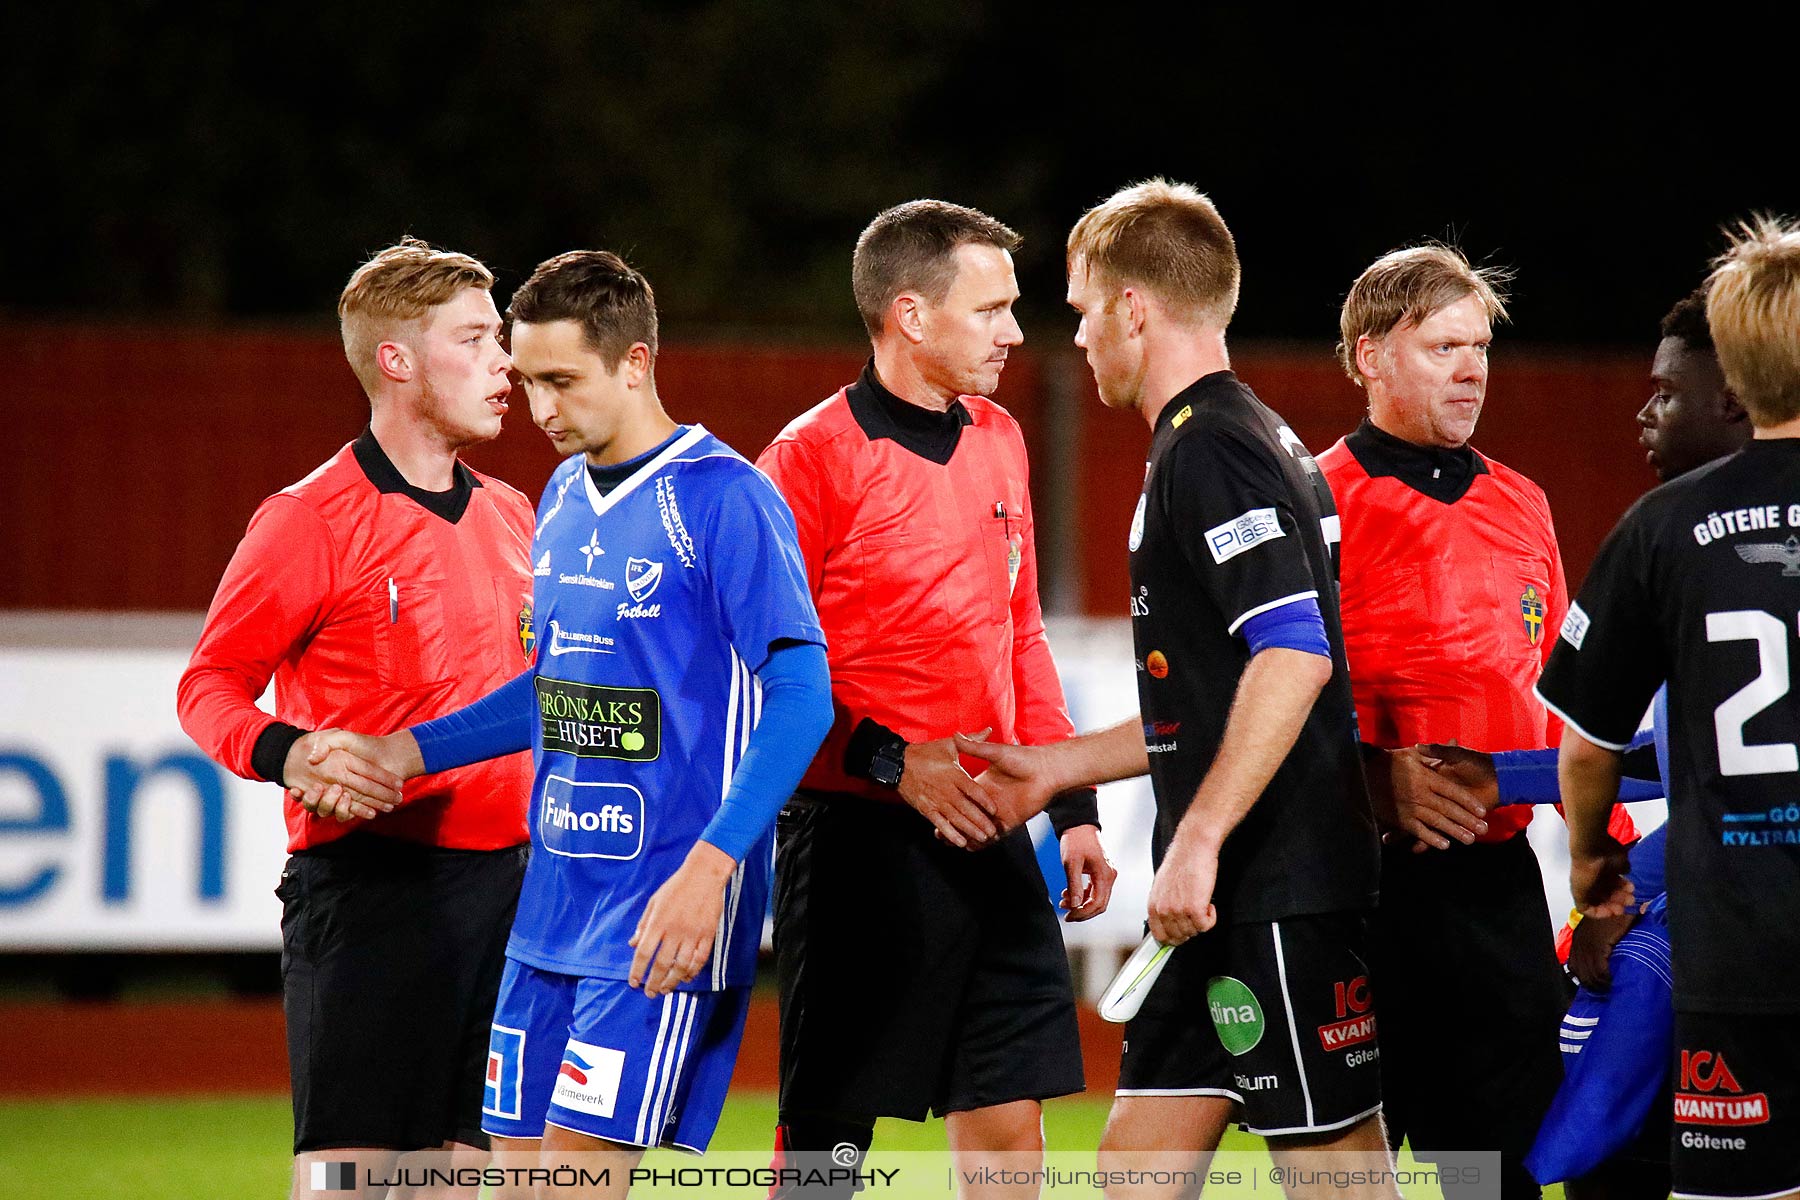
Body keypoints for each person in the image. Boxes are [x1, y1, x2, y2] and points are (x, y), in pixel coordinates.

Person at [305, 250, 833, 1200]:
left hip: (657, 909)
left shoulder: (723, 497)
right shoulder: (558, 501)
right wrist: (407, 749)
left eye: (562, 380)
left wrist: (710, 872)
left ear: (636, 364)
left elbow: (803, 696)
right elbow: (553, 693)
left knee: (576, 1185)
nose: (538, 405)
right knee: (517, 1184)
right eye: (527, 376)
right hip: (548, 912)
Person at [962, 179, 1391, 1198]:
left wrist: (1195, 841)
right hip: (1220, 898)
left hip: (1274, 889)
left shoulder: (1213, 452)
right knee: (1136, 1170)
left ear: (1133, 309)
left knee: (1334, 1173)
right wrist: (1061, 766)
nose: (1073, 339)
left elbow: (1293, 656)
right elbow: (1208, 693)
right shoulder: (1243, 437)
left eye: (1077, 311)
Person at [753, 200, 1114, 1186]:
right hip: (856, 839)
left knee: (1009, 1123)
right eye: (990, 309)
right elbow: (760, 672)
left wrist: (1072, 809)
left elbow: (1022, 635)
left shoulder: (1000, 436)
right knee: (829, 1144)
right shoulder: (806, 461)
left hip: (995, 836)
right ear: (910, 315)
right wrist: (887, 760)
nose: (1012, 331)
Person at [175, 237, 537, 1197]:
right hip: (376, 896)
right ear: (398, 360)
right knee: (356, 1185)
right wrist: (286, 751)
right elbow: (206, 686)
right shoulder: (310, 518)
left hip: (516, 898)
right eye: (476, 339)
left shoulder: (515, 515)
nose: (507, 364)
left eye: (499, 339)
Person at [1317, 244, 1636, 1199]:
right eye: (1444, 346)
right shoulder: (1312, 498)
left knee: (1494, 1175)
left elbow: (1562, 707)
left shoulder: (1521, 501)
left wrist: (1603, 873)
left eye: (1482, 348)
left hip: (1496, 898)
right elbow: (1263, 703)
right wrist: (1373, 776)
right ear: (1370, 356)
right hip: (1357, 893)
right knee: (1346, 1170)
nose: (1472, 371)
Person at [1434, 286, 1749, 1200]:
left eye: (1666, 392)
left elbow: (1606, 745)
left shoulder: (1665, 533)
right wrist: (1501, 774)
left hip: (1717, 907)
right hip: (1730, 894)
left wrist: (1607, 882)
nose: (1643, 412)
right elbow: (1681, 747)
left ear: (1735, 395)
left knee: (1605, 1072)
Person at [1539, 216, 1800, 1200]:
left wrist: (1589, 865)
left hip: (1735, 952)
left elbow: (1587, 746)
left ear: (1732, 367)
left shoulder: (1664, 525)